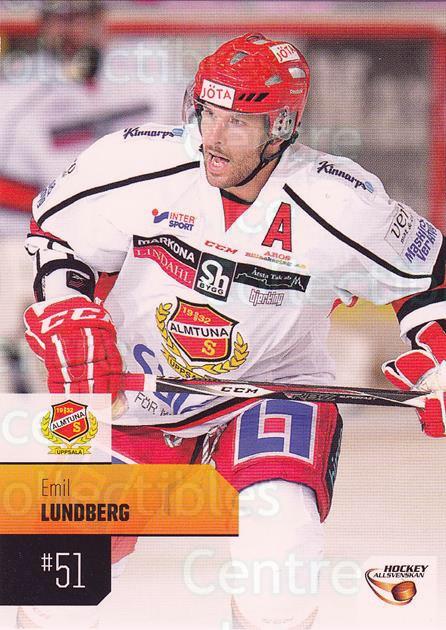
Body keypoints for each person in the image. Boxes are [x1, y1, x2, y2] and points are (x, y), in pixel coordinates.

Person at [23, 33, 445, 629]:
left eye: (239, 123)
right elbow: (60, 236)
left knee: (280, 560)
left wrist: (441, 354)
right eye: (208, 113)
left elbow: (426, 275)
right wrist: (68, 308)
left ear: (281, 127)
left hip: (272, 392)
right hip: (135, 391)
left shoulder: (337, 199)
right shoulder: (135, 162)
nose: (214, 138)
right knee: (50, 570)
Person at [0, 0, 178, 392]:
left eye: (79, 17)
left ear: (100, 19)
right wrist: (70, 210)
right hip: (52, 230)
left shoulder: (151, 73)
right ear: (43, 25)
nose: (69, 30)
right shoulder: (15, 92)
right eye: (58, 19)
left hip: (151, 225)